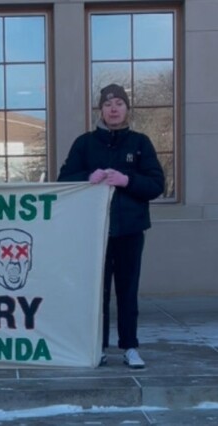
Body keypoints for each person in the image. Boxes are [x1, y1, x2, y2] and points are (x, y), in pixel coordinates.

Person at [58, 83, 164, 369]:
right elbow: (62, 180)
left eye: (119, 103)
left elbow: (156, 185)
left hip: (130, 230)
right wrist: (86, 177)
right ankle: (98, 346)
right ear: (101, 110)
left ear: (127, 109)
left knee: (127, 291)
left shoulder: (140, 143)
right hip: (94, 233)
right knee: (97, 292)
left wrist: (127, 180)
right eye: (108, 104)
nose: (113, 108)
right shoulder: (85, 143)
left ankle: (130, 346)